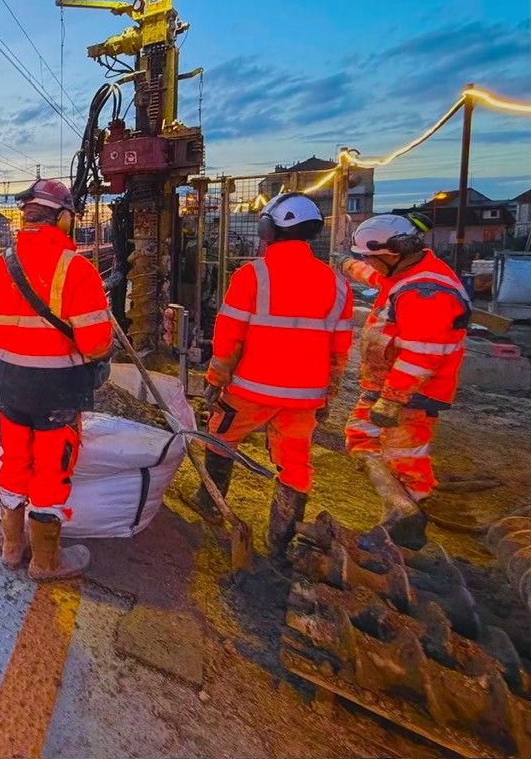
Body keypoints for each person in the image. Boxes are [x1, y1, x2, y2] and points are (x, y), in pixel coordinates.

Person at [200, 193, 353, 561]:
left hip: (251, 388)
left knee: (221, 435)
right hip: (305, 396)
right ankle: (281, 537)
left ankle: (209, 503)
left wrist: (215, 379)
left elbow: (228, 338)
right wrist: (327, 396)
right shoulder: (336, 284)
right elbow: (340, 350)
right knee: (296, 461)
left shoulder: (253, 275)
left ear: (269, 230)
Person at [0, 178, 113, 581]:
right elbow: (96, 343)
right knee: (52, 473)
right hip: (58, 394)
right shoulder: (78, 270)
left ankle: (11, 548)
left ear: (27, 217)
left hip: (11, 389)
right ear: (63, 219)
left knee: (14, 462)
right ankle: (46, 562)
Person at [337, 213, 469, 547]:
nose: (370, 264)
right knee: (361, 435)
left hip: (411, 393)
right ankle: (398, 505)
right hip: (385, 386)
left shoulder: (427, 293)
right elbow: (377, 279)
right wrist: (347, 266)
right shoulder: (407, 275)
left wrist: (392, 398)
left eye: (372, 257)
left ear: (393, 252)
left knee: (405, 455)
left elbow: (421, 355)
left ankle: (407, 519)